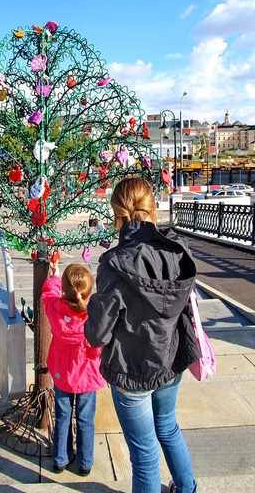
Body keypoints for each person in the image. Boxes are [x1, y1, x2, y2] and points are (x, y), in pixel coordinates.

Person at [85, 177, 200, 493]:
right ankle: (187, 489)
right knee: (168, 427)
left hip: (132, 368)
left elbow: (97, 335)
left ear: (118, 215)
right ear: (152, 208)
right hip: (171, 359)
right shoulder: (178, 251)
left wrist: (93, 306)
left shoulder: (114, 263)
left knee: (145, 452)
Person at [42, 261, 106, 476]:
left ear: (64, 289)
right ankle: (85, 462)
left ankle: (61, 458)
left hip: (62, 373)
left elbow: (48, 293)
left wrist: (54, 273)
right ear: (87, 293)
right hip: (86, 376)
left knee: (62, 415)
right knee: (85, 418)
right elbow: (98, 348)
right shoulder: (92, 317)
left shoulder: (54, 308)